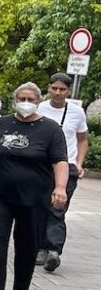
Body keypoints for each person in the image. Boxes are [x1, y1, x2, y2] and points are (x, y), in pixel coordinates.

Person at [0, 82, 69, 290]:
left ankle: (21, 289)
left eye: (31, 99)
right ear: (14, 100)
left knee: (27, 243)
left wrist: (60, 187)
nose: (26, 103)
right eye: (22, 98)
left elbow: (59, 161)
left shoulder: (51, 129)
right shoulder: (1, 124)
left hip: (34, 197)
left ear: (38, 101)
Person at [36, 72, 89, 272]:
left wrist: (79, 163)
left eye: (62, 89)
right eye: (54, 88)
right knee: (40, 206)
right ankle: (40, 247)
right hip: (41, 167)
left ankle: (53, 250)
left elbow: (82, 139)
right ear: (48, 88)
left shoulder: (77, 112)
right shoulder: (39, 109)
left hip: (67, 167)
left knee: (58, 208)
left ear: (68, 91)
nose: (58, 93)